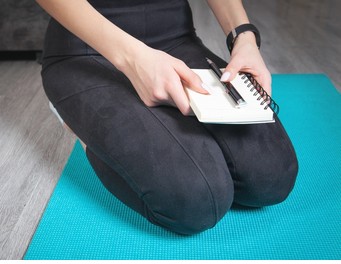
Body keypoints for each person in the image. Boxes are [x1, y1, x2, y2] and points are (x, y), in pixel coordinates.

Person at [36, 0, 299, 235]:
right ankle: (74, 122)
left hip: (175, 41)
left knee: (272, 178)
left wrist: (243, 37)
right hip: (88, 51)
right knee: (196, 199)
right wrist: (133, 59)